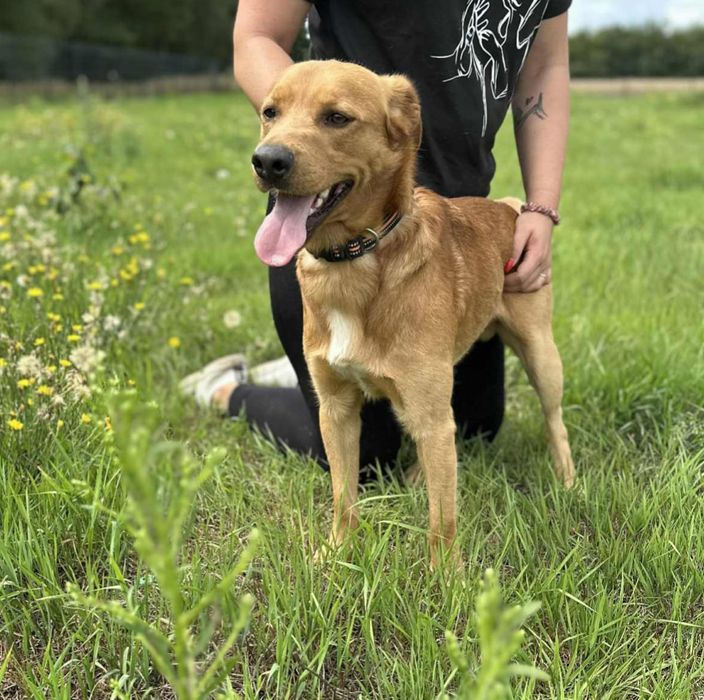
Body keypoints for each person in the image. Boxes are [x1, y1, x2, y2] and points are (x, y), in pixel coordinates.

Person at [181, 0, 571, 477]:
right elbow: (257, 35)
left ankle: (323, 365)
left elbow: (545, 64)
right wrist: (307, 136)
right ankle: (230, 388)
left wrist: (541, 205)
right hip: (329, 218)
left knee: (475, 429)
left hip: (457, 242)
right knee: (367, 458)